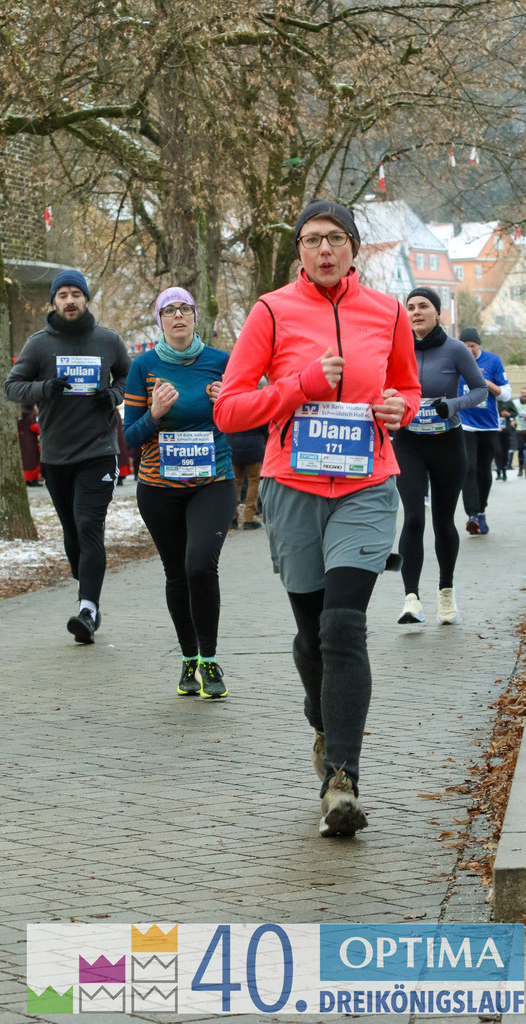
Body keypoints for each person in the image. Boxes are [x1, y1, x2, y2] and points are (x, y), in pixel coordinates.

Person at [214, 199, 421, 837]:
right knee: (312, 636)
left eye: (335, 239)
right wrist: (299, 384)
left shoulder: (387, 312)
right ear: (299, 250)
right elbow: (229, 410)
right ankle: (324, 720)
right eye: (311, 240)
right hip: (294, 488)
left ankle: (342, 780)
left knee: (343, 626)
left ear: (355, 249)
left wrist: (398, 411)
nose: (324, 250)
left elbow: (409, 389)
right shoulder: (271, 311)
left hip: (366, 486)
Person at [5, 270, 131, 642]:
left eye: (77, 293)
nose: (70, 300)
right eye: (63, 295)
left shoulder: (108, 341)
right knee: (73, 534)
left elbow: (127, 376)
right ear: (54, 303)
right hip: (56, 456)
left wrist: (115, 395)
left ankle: (87, 610)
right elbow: (12, 387)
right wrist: (44, 388)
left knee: (89, 526)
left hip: (98, 452)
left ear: (87, 299)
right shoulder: (39, 345)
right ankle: (87, 575)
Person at [123, 287, 234, 699]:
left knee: (201, 565)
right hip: (159, 487)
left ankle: (209, 660)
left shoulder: (221, 362)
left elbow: (245, 422)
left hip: (213, 480)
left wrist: (226, 407)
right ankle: (188, 661)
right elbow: (130, 436)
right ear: (160, 321)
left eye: (185, 308)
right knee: (177, 572)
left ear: (195, 316)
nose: (178, 316)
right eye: (169, 311)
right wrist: (154, 415)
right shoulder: (144, 367)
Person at [393, 288, 487, 627]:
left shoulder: (456, 349)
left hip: (447, 443)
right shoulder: (397, 347)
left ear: (438, 313)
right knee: (414, 517)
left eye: (424, 306)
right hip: (408, 443)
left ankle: (445, 592)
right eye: (411, 307)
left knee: (442, 521)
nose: (416, 312)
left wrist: (454, 404)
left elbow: (480, 391)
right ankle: (411, 599)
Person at [457, 328, 511, 534]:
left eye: (472, 346)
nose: (469, 349)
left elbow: (506, 394)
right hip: (465, 424)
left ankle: (481, 511)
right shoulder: (456, 361)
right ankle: (472, 515)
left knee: (484, 472)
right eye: (465, 346)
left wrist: (488, 385)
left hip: (488, 424)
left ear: (479, 345)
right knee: (468, 468)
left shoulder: (492, 361)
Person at [226, 424, 269, 529]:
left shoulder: (232, 407)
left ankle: (232, 518)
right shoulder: (256, 407)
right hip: (255, 447)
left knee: (235, 481)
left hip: (234, 446)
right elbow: (266, 429)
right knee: (254, 481)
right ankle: (248, 519)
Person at [17, 404, 42, 485]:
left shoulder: (23, 416)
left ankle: (28, 478)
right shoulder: (32, 417)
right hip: (31, 441)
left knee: (26, 461)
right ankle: (32, 479)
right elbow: (35, 428)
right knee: (32, 460)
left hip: (23, 441)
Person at [495, 396, 517, 479]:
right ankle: (498, 471)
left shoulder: (507, 401)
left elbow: (515, 412)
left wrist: (509, 415)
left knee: (505, 451)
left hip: (506, 430)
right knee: (497, 451)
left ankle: (504, 470)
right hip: (496, 430)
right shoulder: (493, 400)